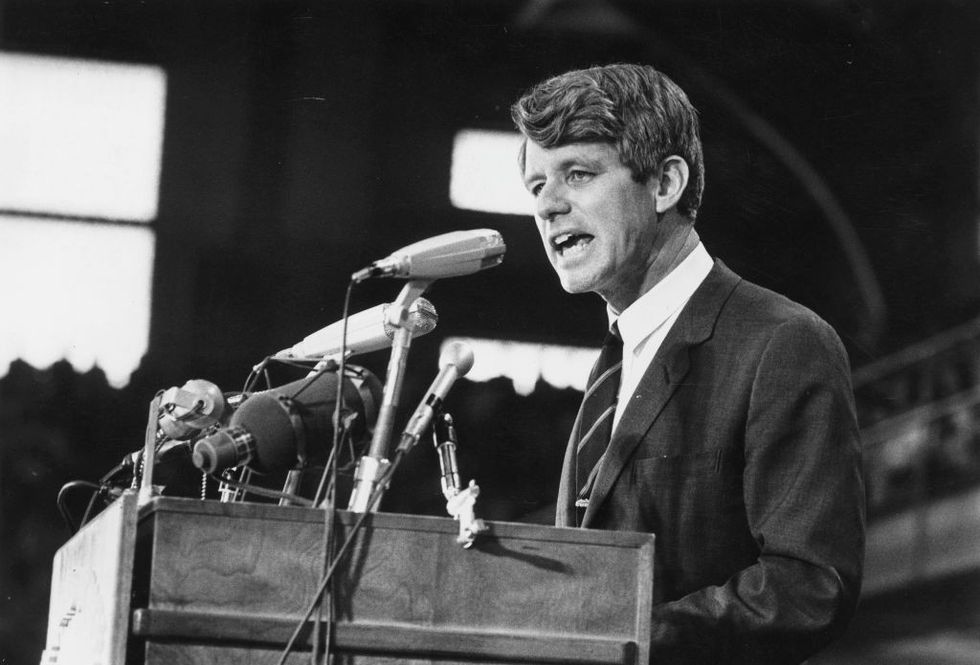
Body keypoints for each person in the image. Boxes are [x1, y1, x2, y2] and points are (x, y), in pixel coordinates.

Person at [510, 63, 865, 664]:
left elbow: (808, 587)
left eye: (578, 173)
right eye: (537, 186)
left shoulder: (783, 341)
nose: (549, 206)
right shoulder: (616, 363)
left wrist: (619, 642)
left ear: (666, 183)